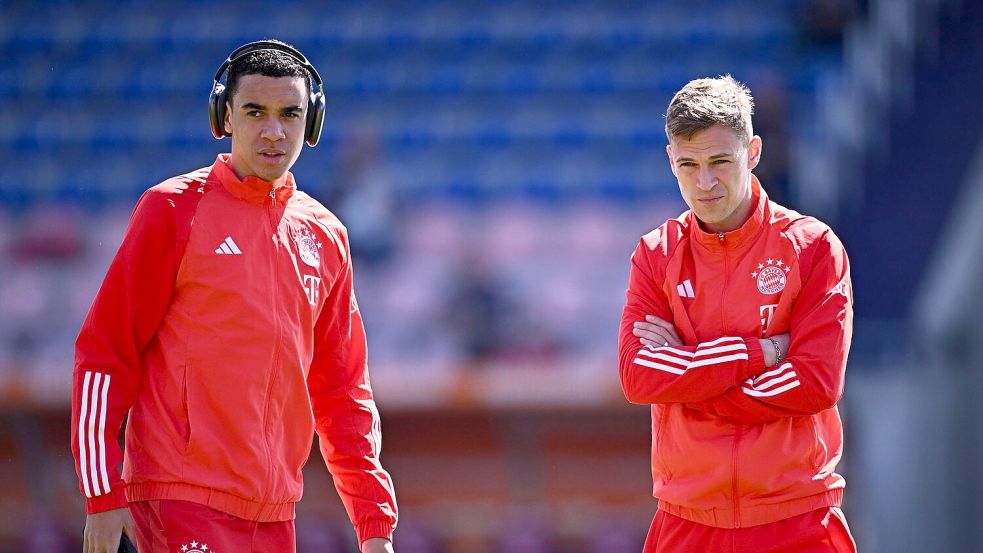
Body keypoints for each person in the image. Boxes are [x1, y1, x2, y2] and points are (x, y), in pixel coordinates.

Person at [71, 40, 397, 553]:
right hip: (178, 505)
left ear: (311, 124)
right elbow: (104, 356)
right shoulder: (172, 209)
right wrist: (102, 496)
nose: (274, 130)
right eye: (255, 112)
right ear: (224, 116)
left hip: (274, 518)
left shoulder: (326, 235)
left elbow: (343, 391)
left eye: (291, 113)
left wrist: (374, 525)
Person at [618, 75, 856, 552]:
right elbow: (638, 376)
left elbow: (816, 381)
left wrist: (689, 381)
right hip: (687, 523)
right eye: (688, 164)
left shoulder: (812, 248)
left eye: (720, 161)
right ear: (671, 161)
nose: (704, 183)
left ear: (753, 152)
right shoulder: (656, 253)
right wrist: (763, 352)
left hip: (798, 518)